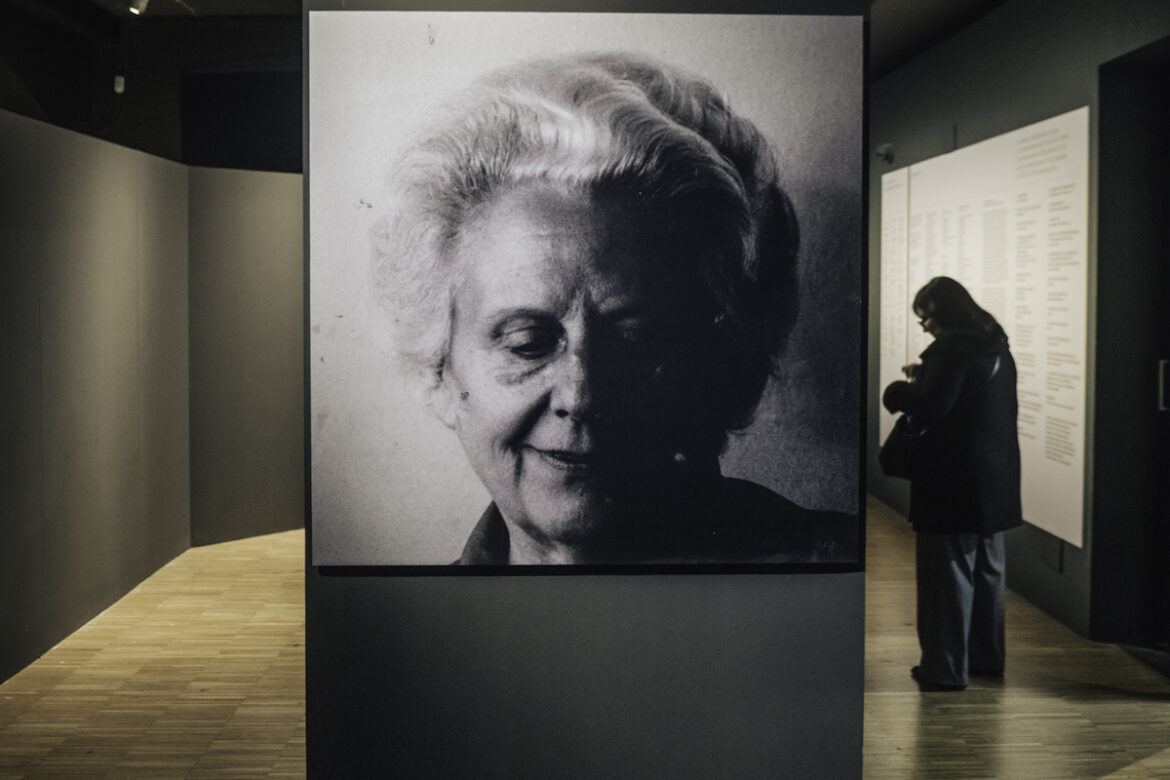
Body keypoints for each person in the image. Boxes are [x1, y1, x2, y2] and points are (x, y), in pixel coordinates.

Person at [372, 51, 855, 566]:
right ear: (439, 371)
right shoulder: (406, 634)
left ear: (727, 368)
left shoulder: (834, 573)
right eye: (527, 343)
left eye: (636, 342)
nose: (581, 396)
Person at [882, 276, 1022, 690]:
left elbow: (929, 410)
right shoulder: (996, 345)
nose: (924, 327)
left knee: (947, 576)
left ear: (942, 314)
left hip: (952, 479)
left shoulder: (950, 350)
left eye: (925, 318)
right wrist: (926, 376)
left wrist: (899, 393)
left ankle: (944, 669)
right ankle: (985, 658)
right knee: (988, 573)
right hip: (995, 480)